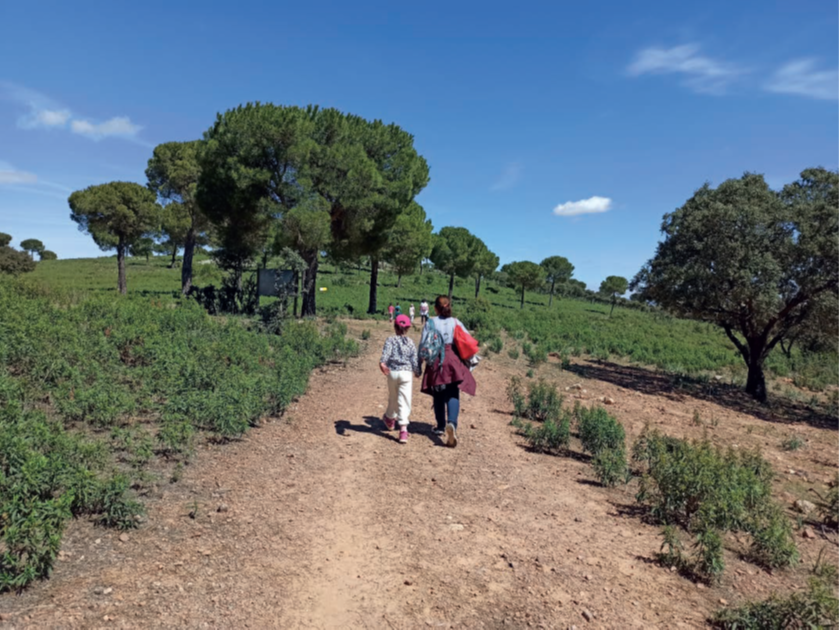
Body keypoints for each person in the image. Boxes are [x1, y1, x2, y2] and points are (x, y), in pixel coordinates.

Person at [419, 296, 477, 448]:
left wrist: (419, 363)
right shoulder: (455, 322)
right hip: (452, 359)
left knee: (438, 392)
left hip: (436, 359)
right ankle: (452, 423)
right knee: (452, 392)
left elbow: (423, 343)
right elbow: (466, 339)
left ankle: (440, 426)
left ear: (435, 308)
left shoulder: (430, 322)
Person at [380, 314, 422, 444]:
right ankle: (403, 429)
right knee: (404, 399)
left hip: (392, 372)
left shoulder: (390, 340)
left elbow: (386, 355)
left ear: (394, 327)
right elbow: (414, 359)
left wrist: (382, 363)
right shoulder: (410, 342)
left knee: (393, 397)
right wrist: (417, 371)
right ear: (408, 328)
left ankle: (389, 418)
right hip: (406, 373)